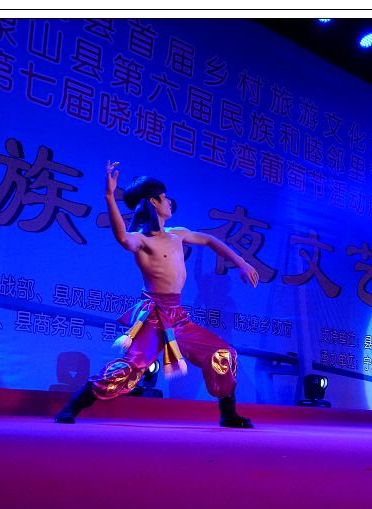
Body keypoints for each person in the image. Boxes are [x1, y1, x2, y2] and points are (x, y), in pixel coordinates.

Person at [54, 161, 259, 428]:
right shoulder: (142, 240)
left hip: (177, 317)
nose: (169, 202)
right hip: (152, 316)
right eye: (164, 197)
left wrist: (242, 263)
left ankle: (228, 414)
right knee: (129, 368)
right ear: (153, 202)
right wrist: (109, 197)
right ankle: (73, 406)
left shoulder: (177, 234)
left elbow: (210, 240)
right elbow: (122, 238)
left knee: (223, 353)